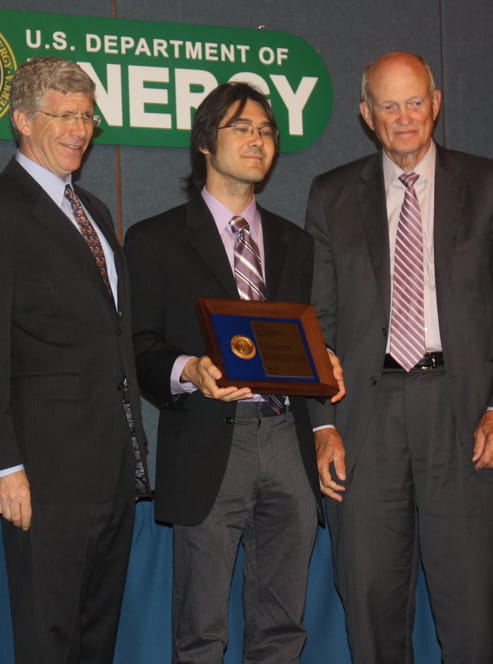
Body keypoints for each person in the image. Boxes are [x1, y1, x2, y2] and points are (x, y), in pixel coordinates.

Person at [306, 51, 493, 663]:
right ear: (366, 115)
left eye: (415, 102)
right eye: (388, 105)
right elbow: (319, 324)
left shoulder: (491, 184)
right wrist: (324, 425)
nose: (404, 117)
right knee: (370, 613)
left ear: (436, 104)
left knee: (473, 618)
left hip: (467, 420)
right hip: (365, 425)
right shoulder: (331, 195)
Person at [124, 82, 344, 663]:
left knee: (282, 628)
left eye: (266, 131)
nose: (257, 140)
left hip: (287, 440)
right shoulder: (155, 239)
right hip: (208, 441)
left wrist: (324, 362)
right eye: (241, 128)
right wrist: (188, 369)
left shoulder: (296, 243)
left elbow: (303, 337)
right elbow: (137, 347)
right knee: (201, 633)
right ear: (205, 141)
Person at [0, 57, 150, 664]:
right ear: (22, 120)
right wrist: (2, 464)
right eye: (63, 115)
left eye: (86, 116)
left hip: (112, 466)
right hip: (44, 471)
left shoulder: (94, 211)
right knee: (48, 640)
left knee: (95, 641)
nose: (79, 130)